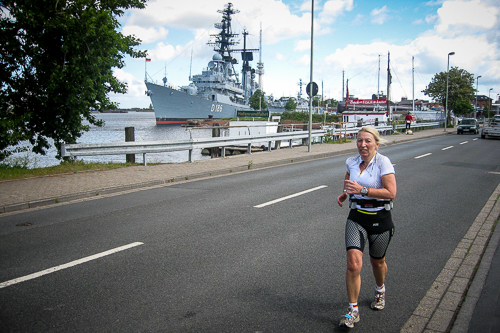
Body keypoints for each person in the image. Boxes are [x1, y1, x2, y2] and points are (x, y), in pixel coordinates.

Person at [336, 126, 397, 329]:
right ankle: (353, 311)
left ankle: (380, 289)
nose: (363, 144)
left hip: (380, 216)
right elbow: (348, 178)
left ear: (376, 144)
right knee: (353, 264)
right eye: (360, 140)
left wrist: (363, 189)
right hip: (357, 216)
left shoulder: (383, 162)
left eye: (368, 141)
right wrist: (346, 192)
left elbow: (391, 192)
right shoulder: (351, 161)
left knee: (377, 262)